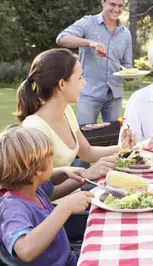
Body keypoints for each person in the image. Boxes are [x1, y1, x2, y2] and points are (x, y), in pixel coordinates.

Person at [16, 48, 135, 200]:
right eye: (79, 78)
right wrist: (88, 175)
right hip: (54, 213)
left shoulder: (66, 112)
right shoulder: (35, 128)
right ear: (62, 84)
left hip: (76, 199)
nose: (84, 83)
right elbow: (38, 194)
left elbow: (87, 152)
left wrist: (122, 149)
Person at [0, 126, 94, 265]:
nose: (53, 163)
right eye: (50, 159)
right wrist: (64, 209)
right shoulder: (12, 209)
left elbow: (48, 177)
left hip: (69, 260)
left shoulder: (31, 188)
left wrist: (63, 171)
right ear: (37, 169)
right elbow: (25, 251)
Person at [56, 0, 132, 125]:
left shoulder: (126, 34)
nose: (116, 9)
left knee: (114, 135)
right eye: (112, 4)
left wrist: (129, 74)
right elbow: (62, 38)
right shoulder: (88, 23)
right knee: (85, 135)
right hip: (89, 92)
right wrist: (89, 42)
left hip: (115, 95)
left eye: (120, 6)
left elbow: (127, 64)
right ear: (103, 2)